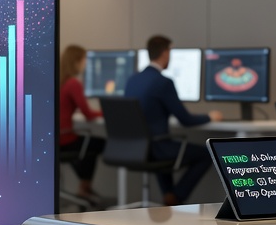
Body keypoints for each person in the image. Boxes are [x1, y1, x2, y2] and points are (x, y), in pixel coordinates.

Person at [124, 35, 223, 205]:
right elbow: (186, 120)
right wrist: (210, 116)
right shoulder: (163, 82)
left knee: (164, 146)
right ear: (165, 53)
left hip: (136, 147)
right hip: (157, 147)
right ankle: (175, 197)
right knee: (207, 154)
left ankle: (169, 194)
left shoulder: (132, 80)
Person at [58, 45, 107, 205]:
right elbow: (88, 114)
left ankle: (84, 187)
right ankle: (84, 187)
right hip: (65, 138)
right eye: (85, 60)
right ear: (77, 61)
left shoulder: (60, 80)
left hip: (56, 139)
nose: (86, 64)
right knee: (97, 145)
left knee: (87, 147)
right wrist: (106, 113)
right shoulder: (73, 83)